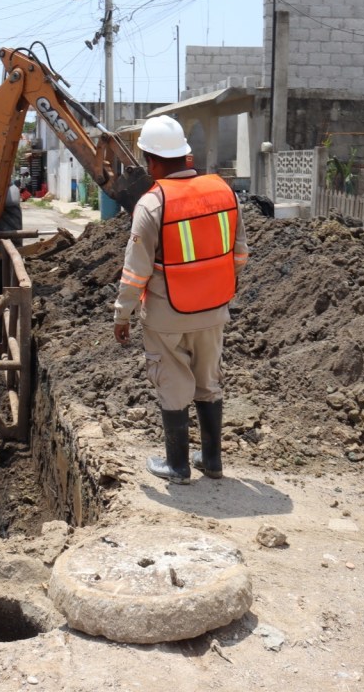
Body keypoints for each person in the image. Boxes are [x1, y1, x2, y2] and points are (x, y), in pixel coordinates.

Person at [113, 115, 249, 484]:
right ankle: (212, 461)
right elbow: (239, 255)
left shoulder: (152, 204)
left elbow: (135, 271)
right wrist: (217, 290)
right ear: (186, 157)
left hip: (167, 315)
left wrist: (122, 315)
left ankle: (177, 466)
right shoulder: (225, 193)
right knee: (209, 382)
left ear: (151, 161)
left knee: (173, 385)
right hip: (214, 310)